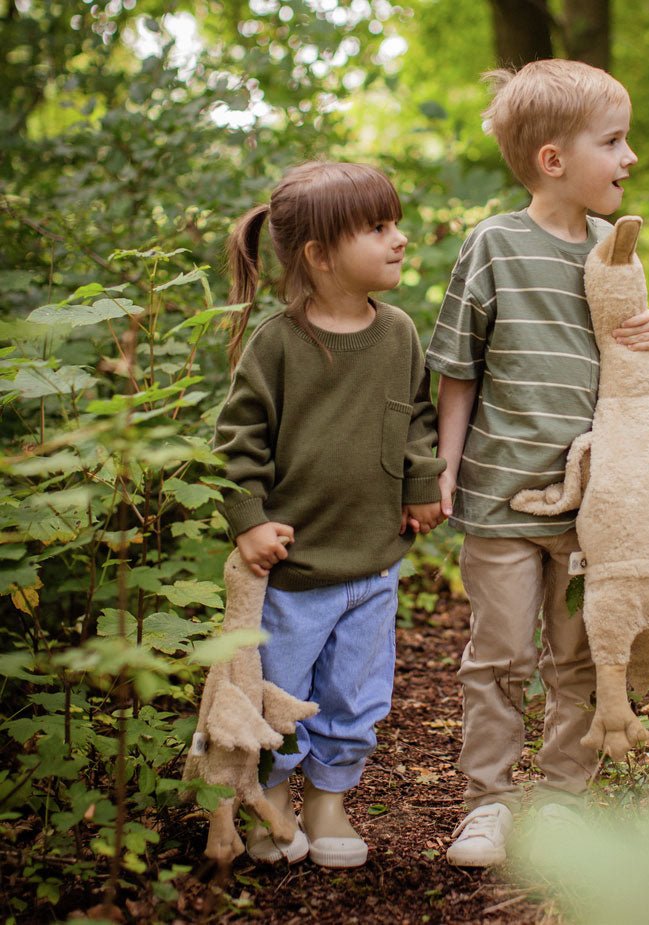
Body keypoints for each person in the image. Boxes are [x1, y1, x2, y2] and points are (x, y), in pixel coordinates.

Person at [425, 59, 649, 866]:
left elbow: (630, 371)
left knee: (579, 655)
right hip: (497, 495)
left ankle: (563, 798)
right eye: (614, 141)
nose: (629, 158)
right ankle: (486, 803)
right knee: (497, 656)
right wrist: (445, 469)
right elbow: (457, 368)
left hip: (591, 505)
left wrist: (644, 340)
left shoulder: (614, 248)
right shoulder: (493, 244)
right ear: (553, 159)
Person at [214, 161, 445, 868]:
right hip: (293, 571)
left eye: (394, 222)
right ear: (318, 255)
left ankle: (330, 800)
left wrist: (420, 483)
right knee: (282, 693)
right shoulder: (279, 343)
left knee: (355, 692)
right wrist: (249, 518)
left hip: (372, 561)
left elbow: (416, 420)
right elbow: (238, 438)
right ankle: (273, 798)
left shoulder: (400, 332)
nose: (399, 239)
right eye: (377, 228)